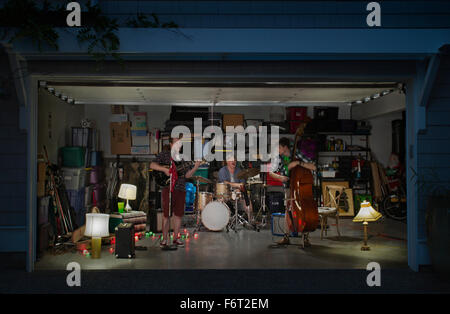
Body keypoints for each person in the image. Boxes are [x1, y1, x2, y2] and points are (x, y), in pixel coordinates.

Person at [150, 136, 202, 249]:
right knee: (166, 215)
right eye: (176, 143)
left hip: (181, 188)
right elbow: (152, 165)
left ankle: (176, 238)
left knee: (178, 215)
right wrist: (164, 170)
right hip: (168, 187)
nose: (179, 145)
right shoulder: (164, 155)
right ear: (170, 144)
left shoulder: (184, 158)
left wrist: (196, 167)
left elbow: (187, 175)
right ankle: (164, 239)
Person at [269, 137, 316, 245]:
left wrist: (298, 163)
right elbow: (271, 172)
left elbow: (313, 166)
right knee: (288, 209)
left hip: (301, 187)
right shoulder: (278, 158)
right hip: (288, 187)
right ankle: (286, 236)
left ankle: (305, 237)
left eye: (279, 147)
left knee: (303, 210)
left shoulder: (297, 154)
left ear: (285, 147)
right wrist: (280, 178)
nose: (277, 150)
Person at [218, 155, 254, 224]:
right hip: (226, 193)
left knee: (247, 200)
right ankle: (223, 220)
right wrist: (236, 185)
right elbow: (224, 182)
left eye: (234, 160)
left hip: (237, 193)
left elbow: (242, 184)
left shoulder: (239, 171)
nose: (233, 161)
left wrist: (239, 189)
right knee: (220, 200)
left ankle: (250, 220)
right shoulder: (222, 170)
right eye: (231, 160)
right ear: (227, 161)